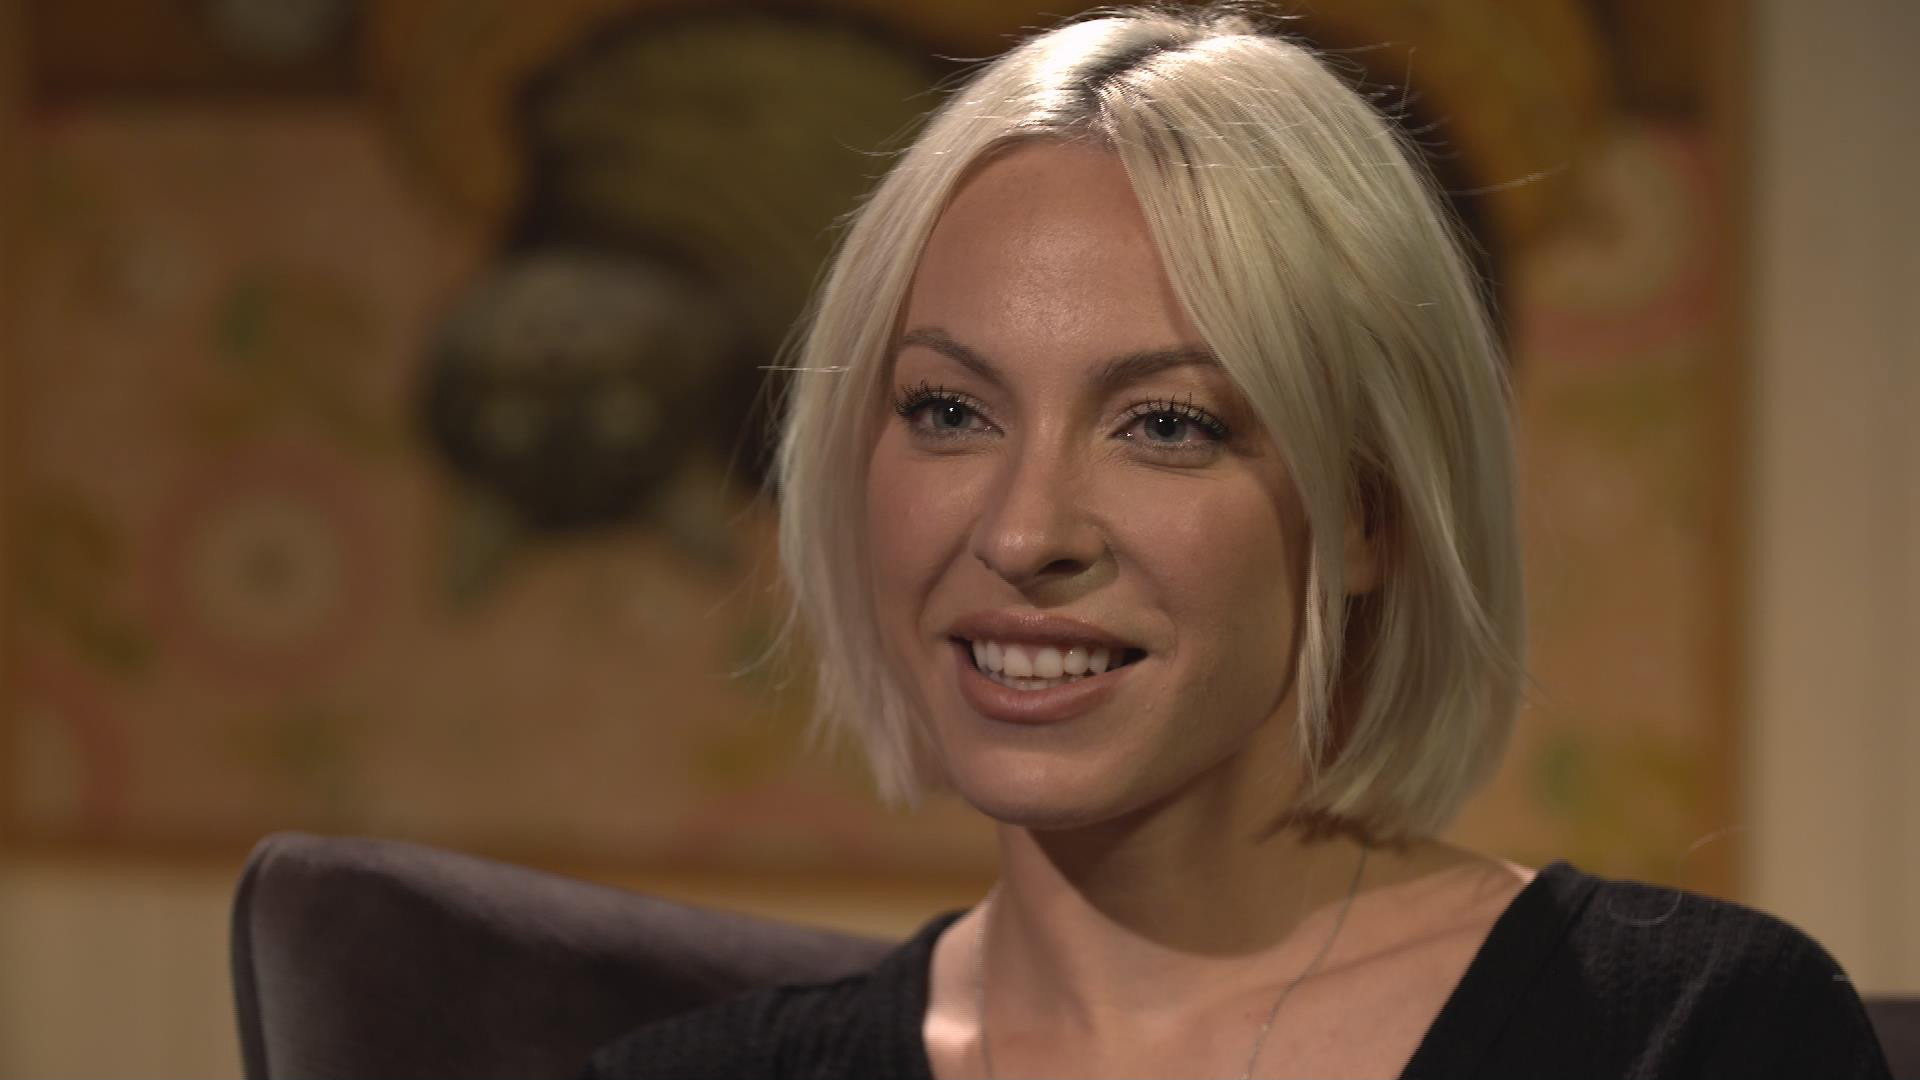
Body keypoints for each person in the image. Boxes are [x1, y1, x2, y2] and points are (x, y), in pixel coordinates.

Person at [581, 6, 1893, 1078]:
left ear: (1373, 507)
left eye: (1165, 424)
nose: (1023, 531)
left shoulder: (1696, 1037)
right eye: (948, 411)